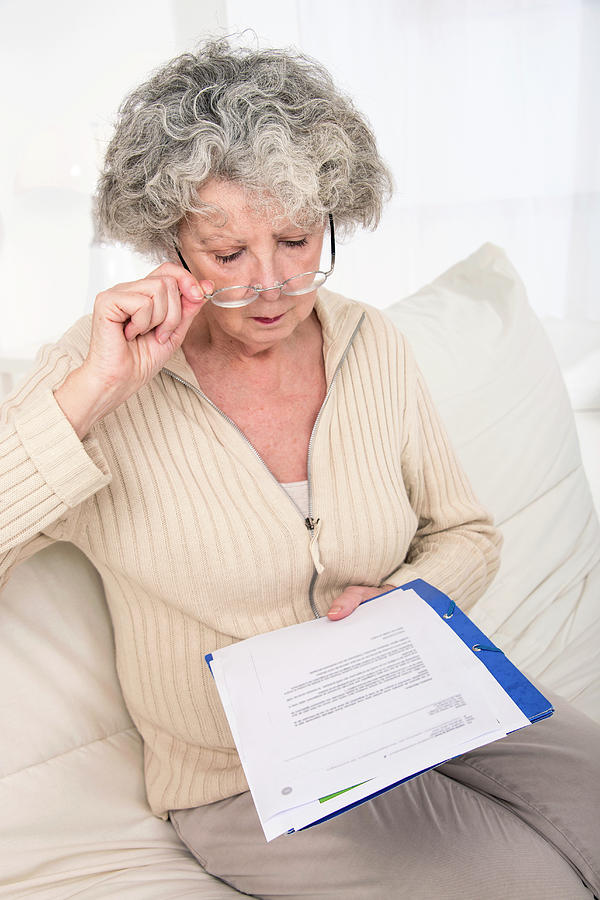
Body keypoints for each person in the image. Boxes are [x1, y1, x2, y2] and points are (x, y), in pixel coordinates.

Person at [1, 37, 598, 900]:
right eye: (227, 254)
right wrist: (95, 392)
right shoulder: (101, 373)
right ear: (168, 239)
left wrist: (409, 601)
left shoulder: (369, 343)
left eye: (295, 238)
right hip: (241, 781)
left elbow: (465, 533)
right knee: (526, 885)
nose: (274, 286)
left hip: (419, 696)